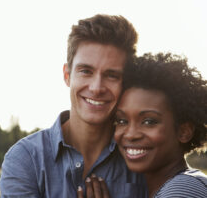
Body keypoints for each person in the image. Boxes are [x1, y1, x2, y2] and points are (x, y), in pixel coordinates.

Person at [0, 14, 148, 197]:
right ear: (67, 75)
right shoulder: (26, 159)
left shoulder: (143, 156)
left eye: (111, 75)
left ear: (125, 83)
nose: (96, 88)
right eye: (86, 71)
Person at [78, 53, 207, 198]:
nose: (131, 134)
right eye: (122, 121)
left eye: (149, 122)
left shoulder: (182, 189)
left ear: (184, 132)